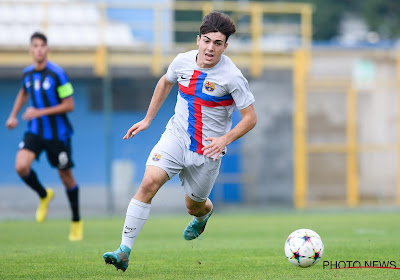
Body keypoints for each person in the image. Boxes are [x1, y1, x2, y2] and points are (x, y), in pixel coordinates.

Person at [103, 11, 257, 271]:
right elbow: (165, 82)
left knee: (193, 206)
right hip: (176, 136)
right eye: (207, 41)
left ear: (225, 46)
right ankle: (124, 250)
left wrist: (224, 140)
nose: (210, 48)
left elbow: (250, 118)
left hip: (207, 150)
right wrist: (148, 119)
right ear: (198, 39)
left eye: (217, 43)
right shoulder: (182, 61)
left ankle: (204, 214)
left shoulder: (232, 77)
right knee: (149, 182)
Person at [5, 32, 83, 241]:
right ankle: (43, 194)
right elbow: (23, 92)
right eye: (35, 46)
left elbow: (70, 104)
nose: (38, 49)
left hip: (58, 135)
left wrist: (38, 112)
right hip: (35, 131)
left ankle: (76, 222)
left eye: (42, 45)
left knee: (65, 177)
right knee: (21, 166)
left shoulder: (58, 74)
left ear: (47, 49)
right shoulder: (28, 74)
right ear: (30, 50)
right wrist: (13, 116)